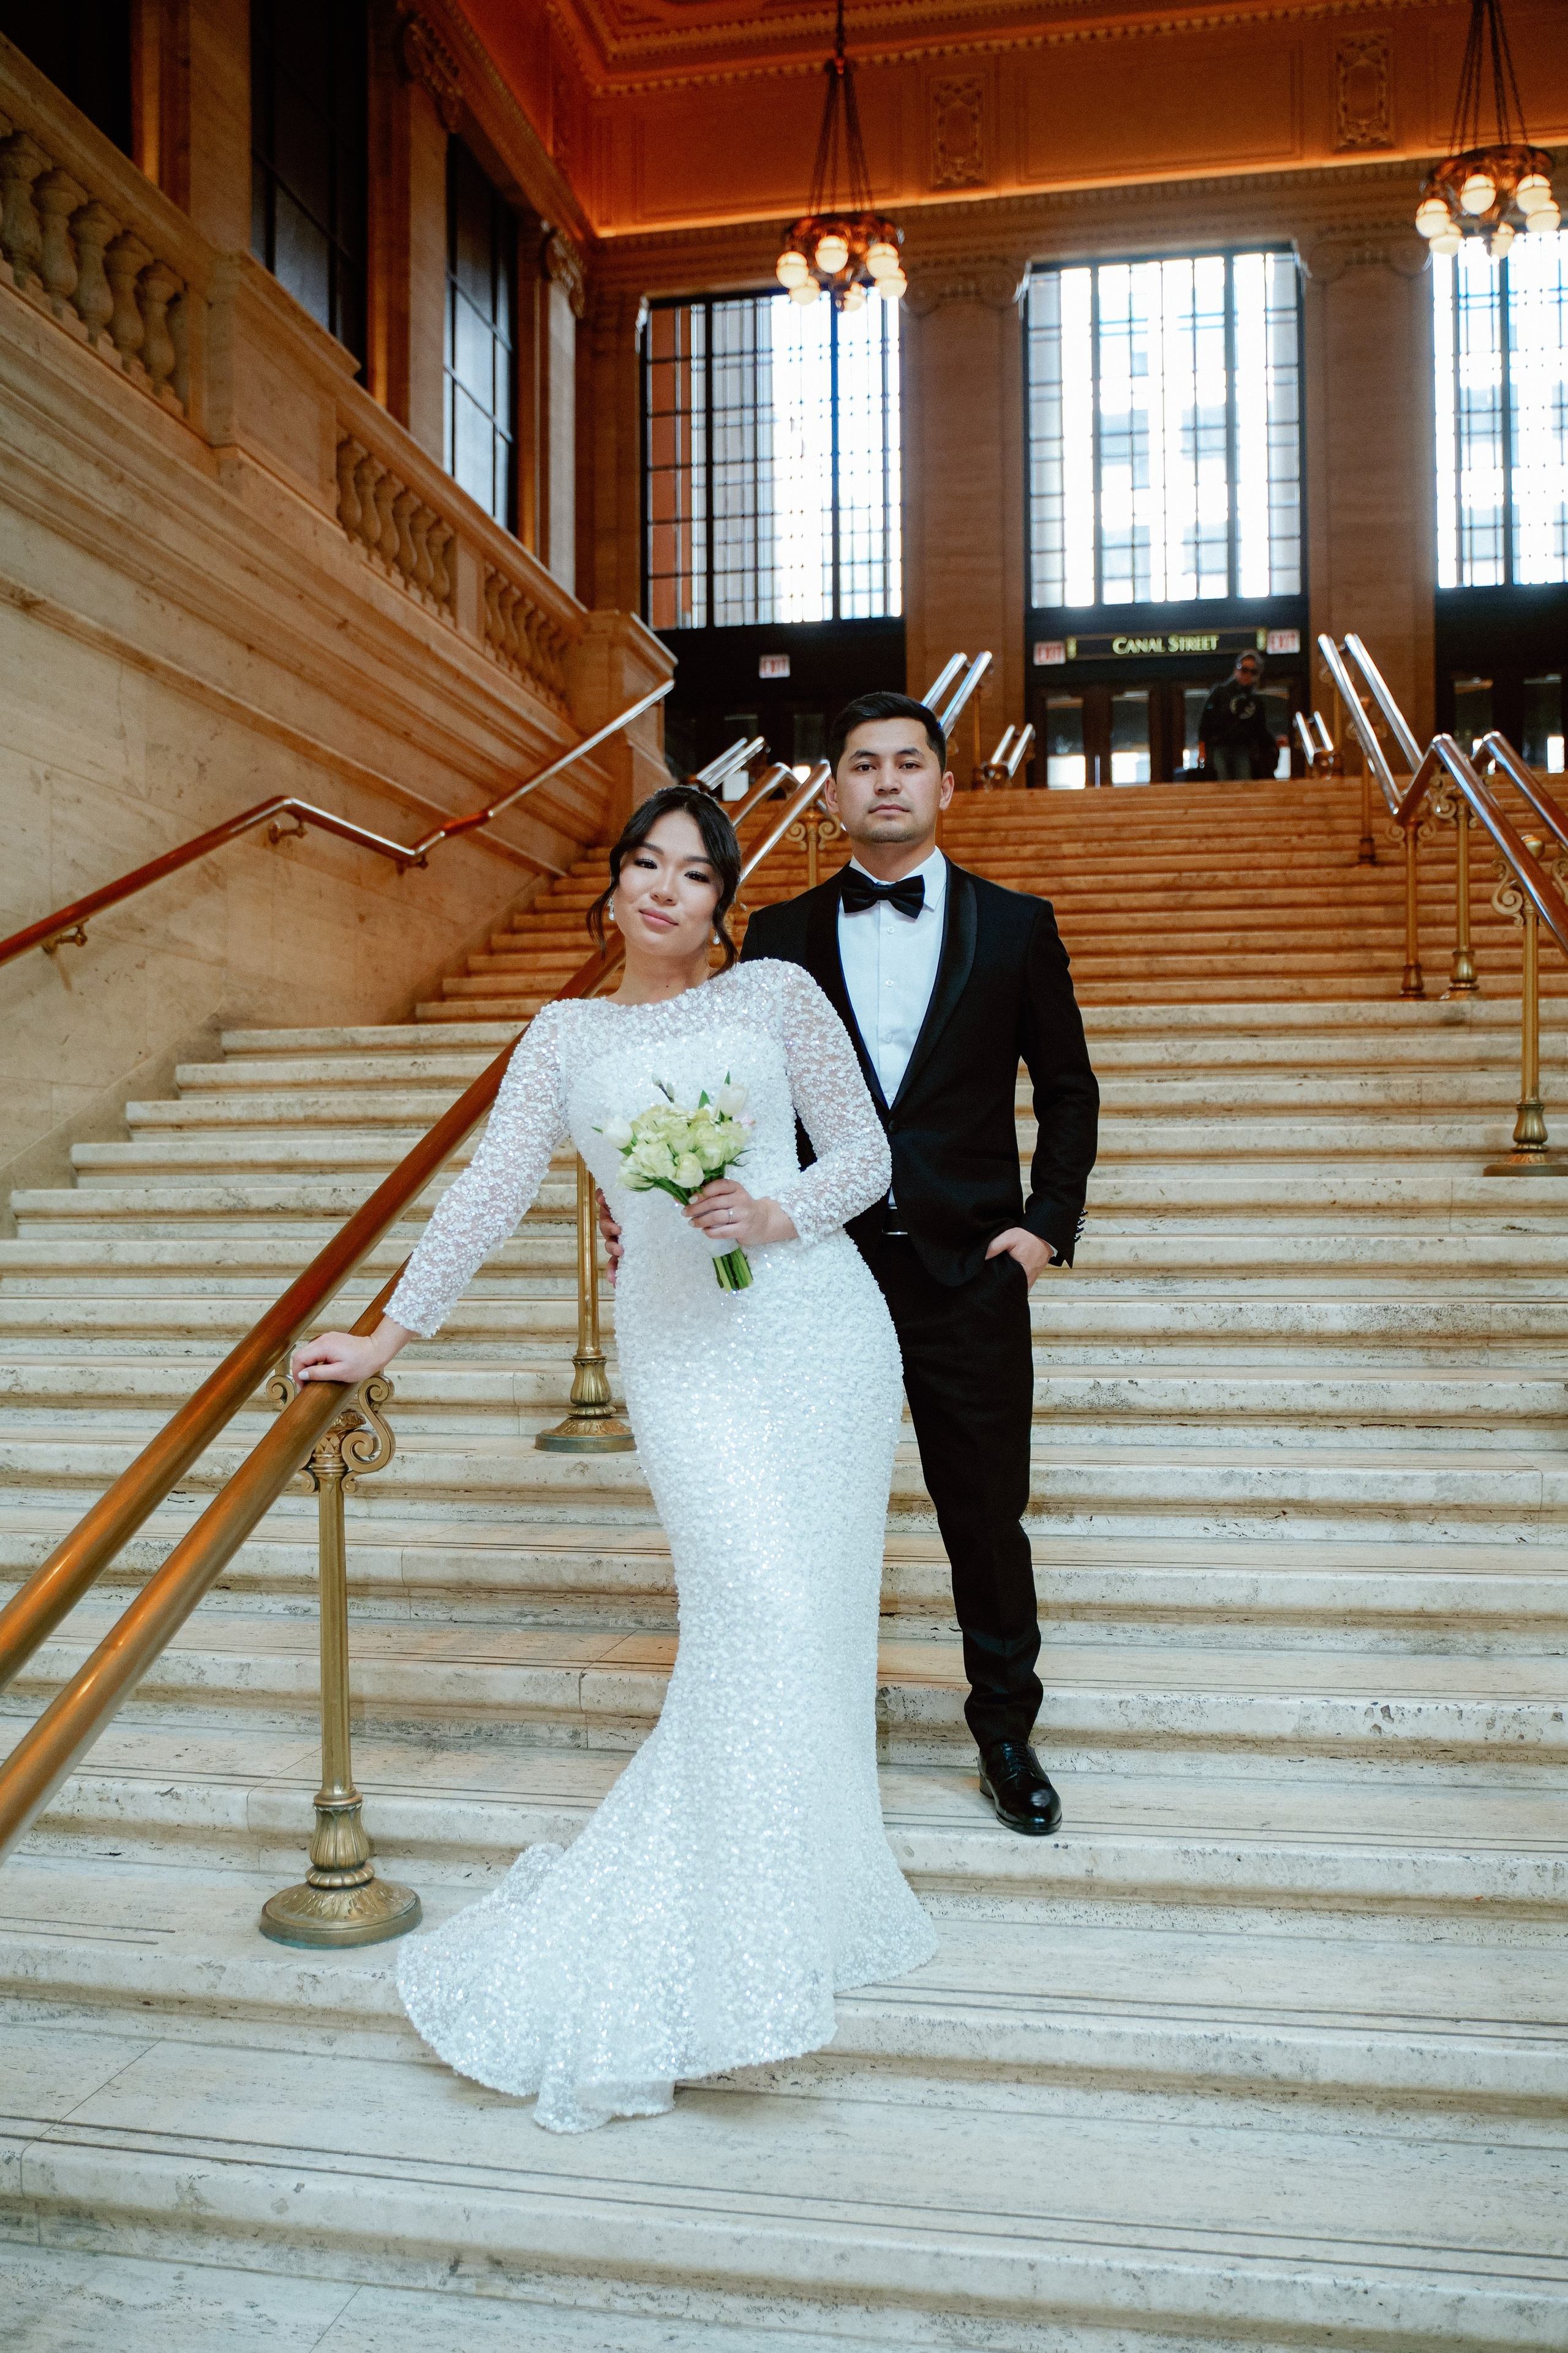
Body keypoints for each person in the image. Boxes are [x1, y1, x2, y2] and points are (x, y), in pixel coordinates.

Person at [290, 784, 935, 2133]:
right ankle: (718, 1936)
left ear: (722, 901)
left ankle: (796, 1898)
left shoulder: (776, 997)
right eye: (644, 863)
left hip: (818, 1338)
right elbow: (487, 1189)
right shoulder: (563, 1034)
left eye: (694, 875)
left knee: (808, 1624)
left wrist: (774, 1206)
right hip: (683, 1359)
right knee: (747, 1614)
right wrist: (384, 1336)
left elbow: (868, 1152)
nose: (663, 891)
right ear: (615, 882)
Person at [682, 691, 1099, 1838]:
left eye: (908, 764)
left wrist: (1043, 1227)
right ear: (831, 791)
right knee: (808, 1517)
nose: (884, 782)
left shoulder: (1017, 927)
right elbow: (734, 1102)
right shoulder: (778, 938)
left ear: (946, 786)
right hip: (825, 1276)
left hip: (971, 1272)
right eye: (861, 764)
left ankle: (1006, 1737)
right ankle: (808, 1743)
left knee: (985, 1518)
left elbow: (1067, 1089)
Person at [1197, 651, 1287, 782]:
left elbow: (1260, 730)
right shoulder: (1220, 693)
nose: (1248, 675)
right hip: (1220, 744)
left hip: (1243, 746)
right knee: (1222, 781)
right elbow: (1205, 723)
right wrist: (1202, 750)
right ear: (1236, 670)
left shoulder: (1255, 700)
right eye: (1244, 670)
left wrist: (1274, 742)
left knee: (1244, 781)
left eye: (1253, 672)